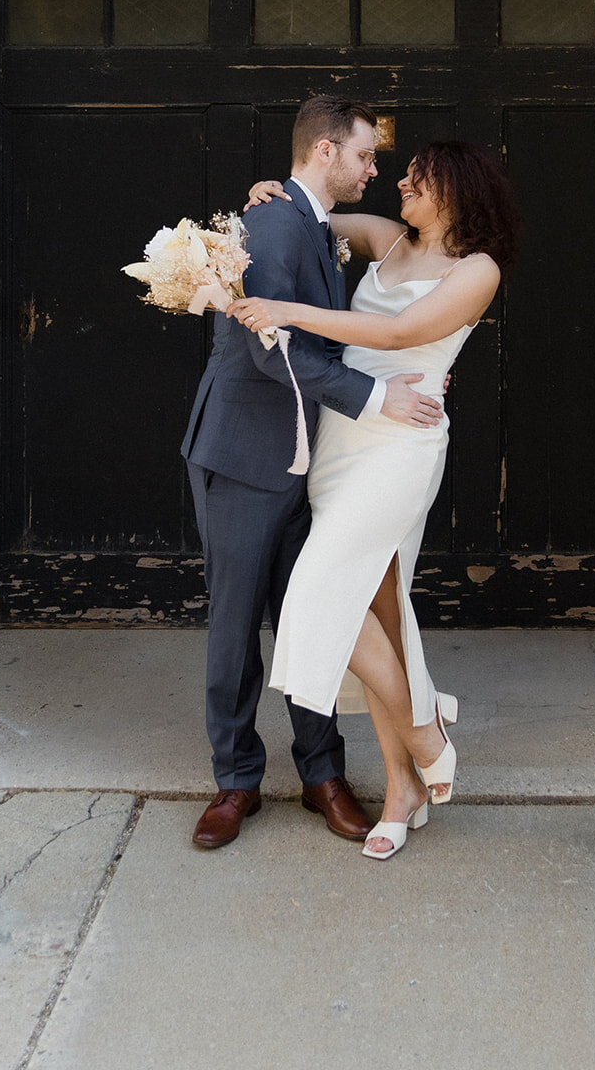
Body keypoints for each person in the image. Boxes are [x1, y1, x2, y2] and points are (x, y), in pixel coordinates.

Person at [230, 139, 521, 859]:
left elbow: (397, 332)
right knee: (381, 618)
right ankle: (404, 787)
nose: (397, 186)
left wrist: (285, 311)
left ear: (452, 190)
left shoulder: (476, 270)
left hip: (400, 447)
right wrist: (275, 190)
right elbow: (308, 221)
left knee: (319, 590)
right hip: (342, 442)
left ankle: (424, 730)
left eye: (415, 180)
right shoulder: (386, 239)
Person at [181, 96, 446, 850]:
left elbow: (346, 332)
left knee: (316, 615)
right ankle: (235, 784)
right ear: (324, 152)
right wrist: (375, 398)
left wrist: (412, 373)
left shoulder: (306, 221)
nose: (374, 168)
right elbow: (272, 344)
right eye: (364, 155)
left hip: (314, 462)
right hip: (244, 454)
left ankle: (321, 774)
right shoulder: (271, 222)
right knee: (235, 625)